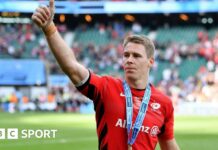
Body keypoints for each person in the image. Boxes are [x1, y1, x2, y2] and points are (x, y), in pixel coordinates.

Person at [31, 0, 180, 149]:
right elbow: (72, 68)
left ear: (150, 62)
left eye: (136, 56)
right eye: (126, 55)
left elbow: (169, 144)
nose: (129, 60)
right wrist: (50, 29)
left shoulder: (164, 103)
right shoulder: (106, 88)